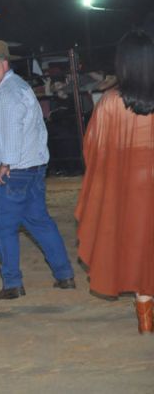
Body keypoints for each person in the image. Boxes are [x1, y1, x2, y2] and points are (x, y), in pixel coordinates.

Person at [0, 40, 75, 300]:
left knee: (3, 228)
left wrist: (5, 163)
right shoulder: (17, 87)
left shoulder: (6, 94)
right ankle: (64, 274)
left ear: (5, 64)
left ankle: (12, 283)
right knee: (39, 222)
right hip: (30, 169)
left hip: (11, 173)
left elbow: (11, 130)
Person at [75, 30, 154, 334]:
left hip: (128, 189)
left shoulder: (110, 102)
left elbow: (93, 149)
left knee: (136, 245)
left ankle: (145, 318)